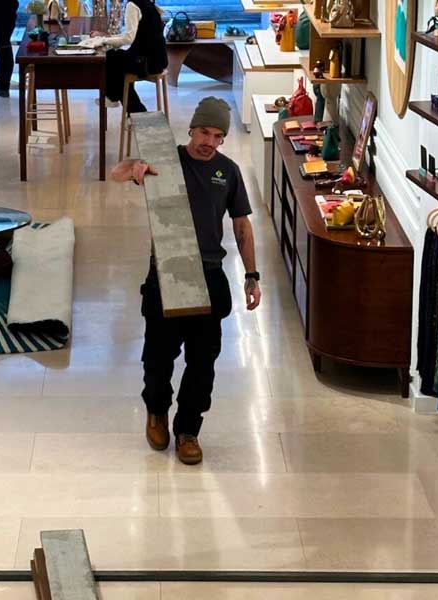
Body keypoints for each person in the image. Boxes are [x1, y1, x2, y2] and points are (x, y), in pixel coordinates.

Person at [110, 97, 262, 465]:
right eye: (204, 132)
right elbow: (116, 172)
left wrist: (252, 276)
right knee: (158, 358)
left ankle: (188, 429)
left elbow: (242, 226)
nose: (209, 141)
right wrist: (136, 167)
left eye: (217, 135)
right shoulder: (166, 161)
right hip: (166, 271)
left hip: (210, 275)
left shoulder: (228, 172)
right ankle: (157, 412)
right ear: (191, 129)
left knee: (203, 362)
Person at [85, 0, 167, 113]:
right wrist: (106, 37)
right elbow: (131, 34)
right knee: (119, 66)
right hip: (158, 60)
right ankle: (129, 109)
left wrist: (102, 40)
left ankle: (115, 98)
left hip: (147, 63)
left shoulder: (132, 5)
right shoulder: (147, 3)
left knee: (111, 58)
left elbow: (128, 39)